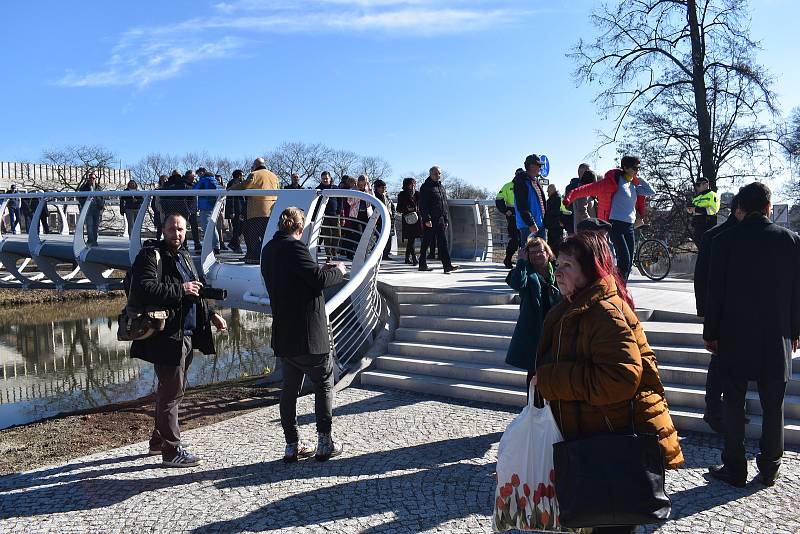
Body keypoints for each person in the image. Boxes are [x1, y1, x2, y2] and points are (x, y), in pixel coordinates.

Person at [535, 232, 684, 533]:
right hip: (590, 440)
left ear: (590, 270)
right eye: (558, 263)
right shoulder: (572, 305)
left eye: (567, 265)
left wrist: (552, 380)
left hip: (610, 448)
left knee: (610, 521)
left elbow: (619, 378)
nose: (558, 270)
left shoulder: (603, 312)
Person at [704, 182, 800, 487]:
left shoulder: (724, 241)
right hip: (777, 336)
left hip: (734, 335)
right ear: (769, 208)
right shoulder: (791, 241)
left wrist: (711, 333)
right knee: (774, 405)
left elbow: (714, 294)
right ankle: (770, 466)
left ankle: (735, 466)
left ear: (741, 208)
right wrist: (796, 332)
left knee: (733, 401)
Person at [129, 212, 228, 467]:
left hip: (186, 334)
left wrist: (213, 314)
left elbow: (197, 289)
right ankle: (171, 451)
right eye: (173, 229)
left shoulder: (184, 255)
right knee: (171, 391)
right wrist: (180, 290)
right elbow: (144, 288)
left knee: (172, 389)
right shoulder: (151, 255)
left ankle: (157, 441)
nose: (178, 233)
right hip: (166, 336)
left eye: (181, 229)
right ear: (163, 229)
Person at [261, 207, 347, 462]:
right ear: (300, 228)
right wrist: (339, 270)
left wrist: (318, 269)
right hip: (309, 335)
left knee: (289, 389)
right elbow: (318, 280)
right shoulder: (295, 248)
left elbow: (298, 278)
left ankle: (291, 445)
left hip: (285, 335)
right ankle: (324, 442)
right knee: (323, 384)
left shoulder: (269, 250)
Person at [693, 194, 743, 434]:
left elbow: (699, 280)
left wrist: (704, 311)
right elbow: (702, 278)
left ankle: (715, 409)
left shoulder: (712, 236)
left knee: (720, 363)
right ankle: (716, 409)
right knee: (722, 363)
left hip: (719, 313)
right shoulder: (719, 237)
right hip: (728, 313)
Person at [563, 155, 654, 281]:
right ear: (625, 167)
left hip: (629, 226)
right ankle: (618, 288)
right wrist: (569, 198)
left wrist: (638, 179)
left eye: (639, 168)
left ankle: (622, 289)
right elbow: (586, 189)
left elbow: (650, 191)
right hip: (615, 224)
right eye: (634, 168)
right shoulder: (612, 181)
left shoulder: (634, 184)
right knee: (624, 261)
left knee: (628, 262)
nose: (637, 170)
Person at [505, 236, 560, 388]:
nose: (536, 255)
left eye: (539, 251)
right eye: (532, 253)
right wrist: (521, 261)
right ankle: (533, 408)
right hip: (535, 328)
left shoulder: (557, 270)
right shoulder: (525, 272)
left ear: (547, 252)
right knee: (534, 371)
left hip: (556, 326)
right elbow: (517, 283)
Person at [230, 157, 280, 264]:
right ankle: (263, 257)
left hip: (256, 211)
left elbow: (245, 185)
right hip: (271, 211)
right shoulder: (274, 176)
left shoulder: (255, 174)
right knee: (266, 236)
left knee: (250, 235)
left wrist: (231, 188)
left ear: (256, 165)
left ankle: (253, 257)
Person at [418, 166, 458, 273]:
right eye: (436, 173)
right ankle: (422, 264)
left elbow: (444, 205)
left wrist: (446, 220)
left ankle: (447, 266)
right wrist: (427, 219)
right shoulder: (425, 187)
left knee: (443, 243)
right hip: (430, 220)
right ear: (430, 174)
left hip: (440, 219)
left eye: (439, 173)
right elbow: (423, 205)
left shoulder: (441, 187)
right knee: (426, 242)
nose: (438, 175)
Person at [512, 155, 548, 244]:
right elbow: (522, 205)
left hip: (540, 225)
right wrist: (530, 223)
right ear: (532, 166)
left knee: (543, 254)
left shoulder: (535, 181)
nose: (541, 168)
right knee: (527, 255)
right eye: (539, 165)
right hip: (528, 227)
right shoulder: (521, 182)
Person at [193, 168, 222, 253]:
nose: (198, 176)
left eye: (199, 174)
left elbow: (195, 189)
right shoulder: (215, 181)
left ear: (202, 173)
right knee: (213, 227)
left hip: (205, 206)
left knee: (206, 228)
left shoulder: (204, 180)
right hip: (214, 206)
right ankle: (216, 246)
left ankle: (210, 247)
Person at [396, 177, 422, 265]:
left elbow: (421, 204)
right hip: (407, 219)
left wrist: (417, 208)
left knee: (412, 239)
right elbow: (398, 208)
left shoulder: (417, 194)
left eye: (414, 183)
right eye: (411, 184)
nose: (413, 185)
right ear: (406, 185)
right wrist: (407, 209)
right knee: (411, 239)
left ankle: (407, 258)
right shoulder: (402, 194)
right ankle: (414, 258)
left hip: (417, 218)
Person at [689, 177, 720, 247]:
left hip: (708, 225)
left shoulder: (713, 195)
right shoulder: (696, 197)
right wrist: (689, 210)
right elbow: (692, 211)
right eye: (696, 185)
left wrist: (696, 210)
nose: (697, 187)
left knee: (708, 247)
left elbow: (713, 210)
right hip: (697, 226)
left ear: (706, 185)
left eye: (698, 185)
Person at [495, 178, 518, 268]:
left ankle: (513, 260)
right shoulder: (508, 186)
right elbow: (499, 199)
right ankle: (508, 259)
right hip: (513, 215)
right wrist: (505, 210)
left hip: (521, 214)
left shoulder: (508, 186)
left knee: (520, 240)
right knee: (515, 239)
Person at [316, 171, 340, 258]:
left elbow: (340, 201)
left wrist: (340, 212)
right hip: (324, 216)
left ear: (330, 178)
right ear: (321, 179)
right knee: (327, 236)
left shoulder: (335, 188)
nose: (325, 180)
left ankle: (334, 251)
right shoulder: (318, 189)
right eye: (323, 179)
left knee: (338, 234)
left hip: (335, 215)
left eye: (326, 178)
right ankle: (328, 255)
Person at [563, 163, 591, 234]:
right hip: (576, 222)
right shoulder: (577, 187)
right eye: (589, 171)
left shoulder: (590, 185)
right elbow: (568, 206)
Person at [77, 173, 105, 246]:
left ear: (95, 179)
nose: (92, 179)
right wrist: (84, 204)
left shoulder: (99, 188)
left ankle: (94, 241)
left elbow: (102, 198)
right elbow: (80, 198)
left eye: (93, 178)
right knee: (89, 225)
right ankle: (90, 240)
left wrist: (101, 206)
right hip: (88, 208)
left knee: (95, 225)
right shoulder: (84, 188)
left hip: (97, 208)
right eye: (90, 178)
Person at [373, 179, 396, 260]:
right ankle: (377, 254)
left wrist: (393, 215)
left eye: (385, 187)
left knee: (388, 237)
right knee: (379, 237)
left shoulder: (387, 197)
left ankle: (386, 254)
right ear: (377, 188)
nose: (384, 189)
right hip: (379, 220)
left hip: (388, 219)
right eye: (382, 187)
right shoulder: (374, 197)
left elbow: (392, 207)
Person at [225, 170, 247, 253]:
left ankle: (233, 243)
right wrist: (232, 211)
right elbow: (232, 199)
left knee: (240, 228)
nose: (243, 177)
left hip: (240, 209)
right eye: (242, 175)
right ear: (239, 176)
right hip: (236, 209)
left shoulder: (239, 184)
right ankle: (236, 246)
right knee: (237, 228)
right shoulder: (233, 184)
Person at [544, 184, 566, 255]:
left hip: (555, 226)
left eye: (548, 190)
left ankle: (555, 261)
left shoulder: (557, 199)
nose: (547, 191)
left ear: (553, 190)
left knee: (555, 245)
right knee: (552, 245)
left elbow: (559, 212)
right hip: (553, 225)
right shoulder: (554, 198)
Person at [153, 175, 168, 241]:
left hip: (168, 210)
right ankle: (158, 241)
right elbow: (154, 202)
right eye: (162, 180)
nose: (164, 181)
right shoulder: (157, 190)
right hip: (159, 210)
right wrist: (158, 209)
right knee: (160, 227)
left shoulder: (170, 189)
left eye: (165, 179)